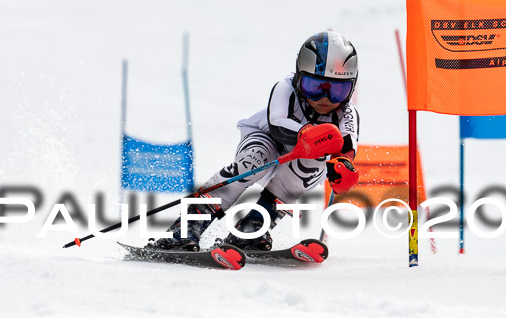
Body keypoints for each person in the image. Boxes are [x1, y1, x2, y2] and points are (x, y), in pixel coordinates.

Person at [150, 31, 361, 251]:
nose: (325, 99)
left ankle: (251, 229)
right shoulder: (286, 88)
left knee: (311, 167)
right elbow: (278, 124)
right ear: (299, 77)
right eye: (314, 87)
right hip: (267, 138)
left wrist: (342, 170)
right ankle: (186, 228)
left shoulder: (348, 114)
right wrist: (307, 133)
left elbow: (346, 151)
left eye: (338, 90)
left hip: (303, 158)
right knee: (252, 164)